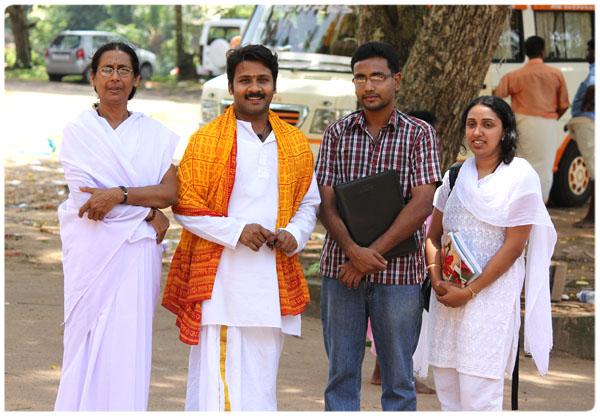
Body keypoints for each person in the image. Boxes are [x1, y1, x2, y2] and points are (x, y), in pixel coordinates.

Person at [161, 44, 320, 411]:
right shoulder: (206, 141)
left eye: (263, 80)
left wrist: (295, 235)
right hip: (223, 287)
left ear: (274, 86)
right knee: (222, 389)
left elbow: (308, 202)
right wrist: (237, 231)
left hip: (271, 287)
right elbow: (185, 207)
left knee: (262, 386)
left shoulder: (294, 143)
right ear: (231, 86)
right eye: (245, 80)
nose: (254, 88)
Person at [316, 41, 442, 411]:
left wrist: (368, 255)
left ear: (396, 80)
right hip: (341, 272)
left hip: (399, 276)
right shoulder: (336, 134)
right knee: (341, 376)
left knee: (399, 379)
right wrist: (353, 253)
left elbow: (422, 203)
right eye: (360, 78)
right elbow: (325, 203)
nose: (368, 86)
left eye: (377, 77)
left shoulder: (419, 134)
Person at [54, 42, 180, 411]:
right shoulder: (79, 131)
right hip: (91, 250)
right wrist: (146, 212)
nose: (115, 77)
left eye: (123, 70)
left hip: (137, 254)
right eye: (107, 69)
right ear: (93, 77)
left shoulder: (153, 134)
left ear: (136, 79)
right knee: (84, 340)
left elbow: (169, 192)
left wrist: (121, 195)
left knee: (129, 343)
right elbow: (88, 203)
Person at [425, 95, 556, 411]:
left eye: (488, 124)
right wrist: (436, 278)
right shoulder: (455, 176)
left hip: (490, 301)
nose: (477, 132)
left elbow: (514, 247)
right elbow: (432, 236)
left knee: (480, 396)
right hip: (446, 299)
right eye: (471, 124)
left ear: (505, 130)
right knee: (448, 395)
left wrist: (469, 291)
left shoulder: (520, 177)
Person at [369, 110, 438, 396]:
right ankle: (400, 375)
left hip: (401, 257)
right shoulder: (406, 171)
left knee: (394, 325)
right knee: (401, 326)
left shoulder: (428, 172)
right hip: (402, 258)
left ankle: (384, 372)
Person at [492, 35, 570, 203]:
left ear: (526, 52)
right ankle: (541, 205)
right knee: (545, 168)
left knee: (521, 164)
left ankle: (521, 204)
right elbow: (564, 104)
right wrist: (553, 117)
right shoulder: (556, 74)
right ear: (543, 52)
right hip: (547, 124)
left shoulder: (514, 75)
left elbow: (496, 96)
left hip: (522, 123)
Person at [568, 39, 595, 228]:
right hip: (588, 121)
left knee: (594, 171)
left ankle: (592, 218)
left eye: (589, 50)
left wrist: (585, 105)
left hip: (586, 120)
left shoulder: (595, 68)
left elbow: (593, 87)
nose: (587, 53)